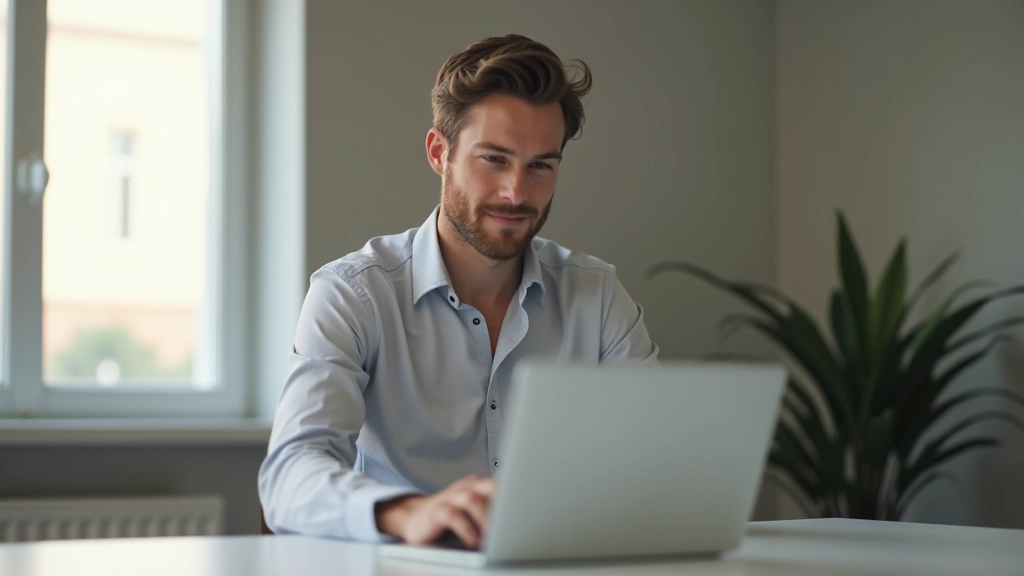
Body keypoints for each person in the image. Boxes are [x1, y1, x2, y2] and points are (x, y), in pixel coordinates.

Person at [258, 34, 658, 548]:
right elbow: (288, 478)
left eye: (541, 165)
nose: (517, 192)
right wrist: (408, 513)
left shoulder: (597, 297)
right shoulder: (353, 294)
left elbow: (656, 461)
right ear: (438, 153)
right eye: (494, 159)